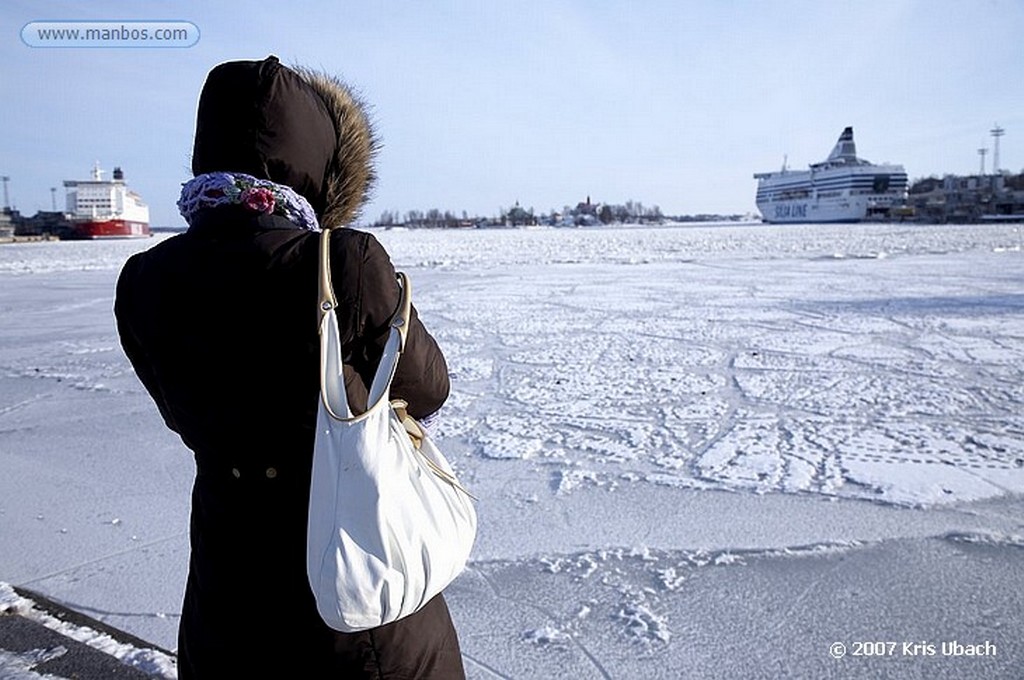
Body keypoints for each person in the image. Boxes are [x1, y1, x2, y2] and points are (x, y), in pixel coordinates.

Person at [115, 56, 465, 678]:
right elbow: (428, 388)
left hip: (228, 581)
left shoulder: (145, 278)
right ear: (322, 160)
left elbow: (180, 409)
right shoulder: (342, 260)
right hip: (353, 579)